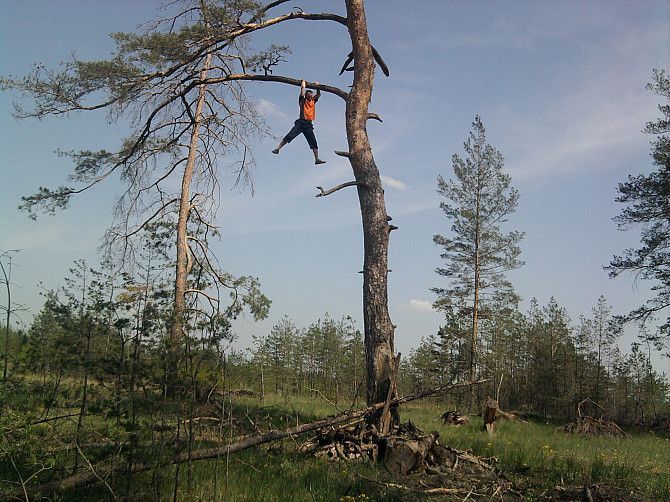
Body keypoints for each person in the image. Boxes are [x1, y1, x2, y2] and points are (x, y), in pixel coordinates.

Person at [273, 80, 326, 164]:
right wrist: (303, 85)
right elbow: (302, 93)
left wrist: (317, 86)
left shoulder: (313, 100)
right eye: (308, 95)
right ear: (306, 95)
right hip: (301, 122)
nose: (310, 96)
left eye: (311, 95)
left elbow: (318, 95)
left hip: (308, 124)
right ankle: (278, 148)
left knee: (313, 141)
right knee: (291, 134)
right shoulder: (302, 100)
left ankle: (317, 159)